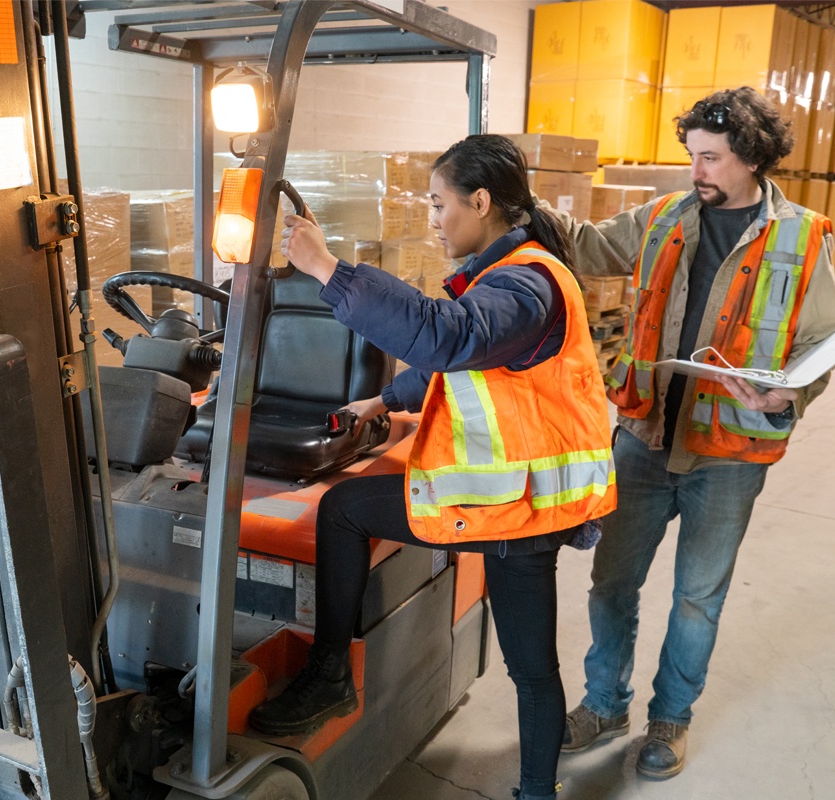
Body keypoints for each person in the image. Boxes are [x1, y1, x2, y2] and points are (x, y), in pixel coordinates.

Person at [247, 134, 617, 800]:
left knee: (344, 510)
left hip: (511, 512)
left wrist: (330, 270)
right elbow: (465, 362)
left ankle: (332, 674)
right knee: (531, 669)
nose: (434, 220)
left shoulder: (526, 283)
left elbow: (450, 336)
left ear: (481, 201)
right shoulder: (516, 274)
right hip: (519, 509)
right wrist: (384, 398)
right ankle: (536, 791)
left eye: (440, 204)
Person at [554, 86, 835, 779]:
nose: (697, 171)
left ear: (750, 159)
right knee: (610, 586)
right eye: (693, 156)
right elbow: (590, 246)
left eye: (710, 159)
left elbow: (821, 341)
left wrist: (788, 392)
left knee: (696, 600)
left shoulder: (801, 237)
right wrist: (520, 201)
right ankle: (604, 703)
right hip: (646, 435)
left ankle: (670, 720)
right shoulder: (665, 217)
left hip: (729, 454)